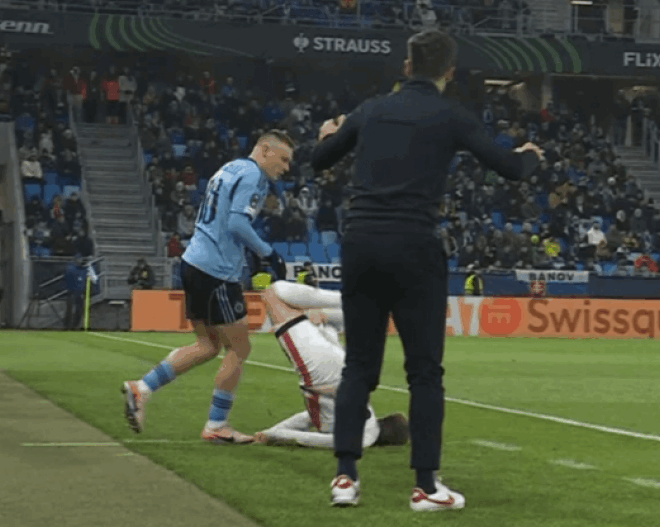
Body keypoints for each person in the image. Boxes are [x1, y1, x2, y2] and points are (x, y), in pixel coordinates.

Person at [310, 29, 543, 511]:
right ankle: (426, 486)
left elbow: (320, 159)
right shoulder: (450, 115)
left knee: (359, 367)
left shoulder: (371, 110)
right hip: (415, 246)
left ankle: (345, 478)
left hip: (362, 243)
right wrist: (529, 157)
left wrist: (327, 136)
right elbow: (510, 169)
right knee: (424, 372)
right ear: (449, 72)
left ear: (406, 66)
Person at [121, 130, 293, 444]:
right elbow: (237, 223)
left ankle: (141, 388)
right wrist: (268, 253)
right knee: (239, 348)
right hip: (217, 272)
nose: (286, 168)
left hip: (193, 262)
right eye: (283, 159)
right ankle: (216, 425)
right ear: (265, 150)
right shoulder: (254, 176)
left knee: (208, 345)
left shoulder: (229, 168)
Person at [251, 281, 409, 450]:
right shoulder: (363, 438)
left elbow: (308, 417)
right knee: (274, 294)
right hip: (324, 373)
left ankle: (345, 308)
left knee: (276, 295)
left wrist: (270, 432)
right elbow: (314, 440)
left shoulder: (366, 421)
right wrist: (275, 436)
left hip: (336, 369)